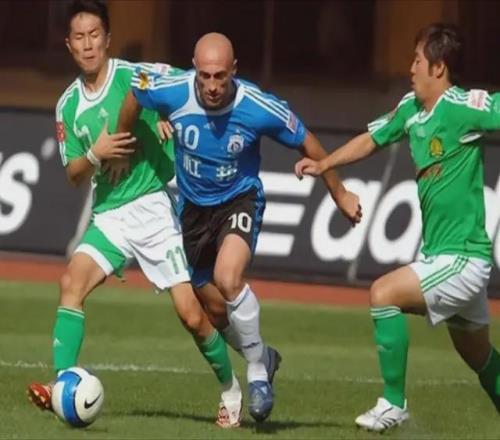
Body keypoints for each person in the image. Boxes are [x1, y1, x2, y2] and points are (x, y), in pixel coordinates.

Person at [117, 32, 362, 421]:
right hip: (192, 212)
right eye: (205, 76)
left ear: (234, 70)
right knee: (215, 312)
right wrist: (124, 142)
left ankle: (258, 374)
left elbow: (308, 142)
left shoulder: (257, 106)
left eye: (220, 76)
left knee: (228, 278)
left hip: (239, 200)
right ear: (194, 70)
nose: (212, 86)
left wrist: (341, 194)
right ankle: (263, 354)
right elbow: (135, 89)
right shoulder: (171, 89)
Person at [27, 0, 243, 428]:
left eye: (94, 35)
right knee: (71, 283)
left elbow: (186, 83)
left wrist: (164, 112)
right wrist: (96, 152)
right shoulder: (67, 105)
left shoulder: (135, 75)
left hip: (153, 208)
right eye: (79, 37)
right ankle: (63, 382)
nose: (88, 44)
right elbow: (73, 175)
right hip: (110, 214)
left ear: (107, 39)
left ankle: (231, 388)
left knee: (192, 315)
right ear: (69, 45)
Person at [295, 23, 500, 432]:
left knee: (383, 293)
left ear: (439, 67)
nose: (410, 68)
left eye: (418, 60)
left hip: (462, 258)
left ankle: (393, 403)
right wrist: (325, 163)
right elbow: (371, 139)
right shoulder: (410, 109)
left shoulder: (462, 106)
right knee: (479, 357)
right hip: (442, 254)